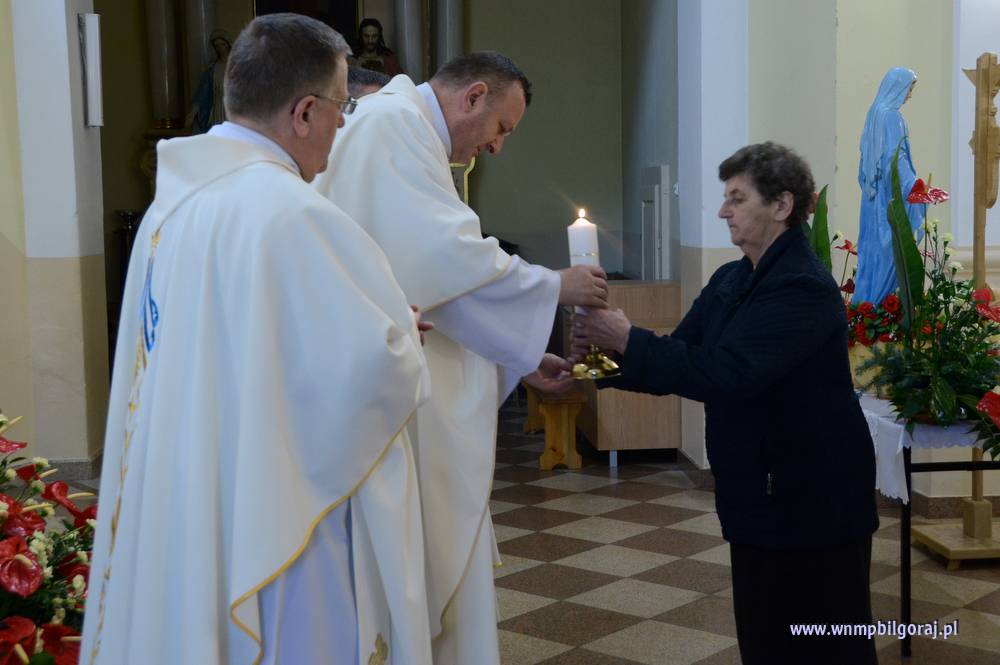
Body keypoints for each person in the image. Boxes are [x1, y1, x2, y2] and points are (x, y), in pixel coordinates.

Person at [81, 14, 434, 665]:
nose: (343, 124)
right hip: (268, 514)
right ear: (304, 112)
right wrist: (402, 336)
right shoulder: (293, 213)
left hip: (190, 487)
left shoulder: (172, 208)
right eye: (342, 106)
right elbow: (371, 372)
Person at [313, 52, 608, 665]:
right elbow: (444, 258)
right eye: (501, 127)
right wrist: (556, 286)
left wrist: (520, 356)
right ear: (473, 96)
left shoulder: (402, 127)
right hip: (387, 392)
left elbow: (435, 284)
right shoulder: (392, 125)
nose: (497, 146)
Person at [572, 143, 879, 665]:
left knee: (826, 645)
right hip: (757, 496)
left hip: (814, 501)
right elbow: (683, 357)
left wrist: (625, 337)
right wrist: (591, 366)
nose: (722, 211)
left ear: (782, 205)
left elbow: (730, 374)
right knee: (764, 640)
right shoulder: (731, 279)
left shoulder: (802, 287)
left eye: (737, 198)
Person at [854, 66, 926, 304]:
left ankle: (864, 308)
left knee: (871, 255)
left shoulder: (874, 114)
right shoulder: (893, 117)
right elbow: (896, 159)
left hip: (871, 200)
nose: (910, 95)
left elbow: (865, 162)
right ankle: (878, 308)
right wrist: (913, 186)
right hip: (888, 199)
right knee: (889, 254)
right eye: (909, 89)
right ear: (897, 88)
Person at [186, 29, 231, 133]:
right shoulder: (212, 69)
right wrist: (192, 114)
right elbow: (202, 94)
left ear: (229, 44)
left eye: (223, 44)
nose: (220, 48)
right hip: (218, 111)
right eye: (217, 46)